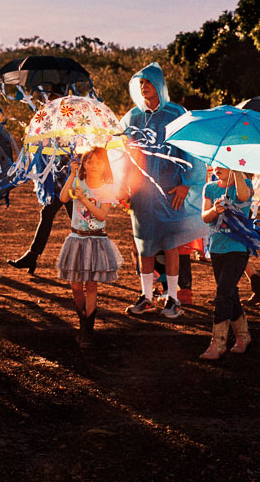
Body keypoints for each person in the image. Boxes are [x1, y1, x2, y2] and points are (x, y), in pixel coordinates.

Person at [119, 63, 204, 318]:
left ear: (159, 84)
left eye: (148, 82)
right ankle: (146, 297)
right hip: (142, 194)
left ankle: (173, 299)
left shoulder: (177, 114)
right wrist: (124, 186)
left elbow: (192, 149)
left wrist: (186, 183)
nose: (143, 87)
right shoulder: (132, 117)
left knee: (171, 245)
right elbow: (122, 153)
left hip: (170, 192)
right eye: (140, 83)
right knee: (144, 246)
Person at [55, 147, 122, 347]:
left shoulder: (107, 188)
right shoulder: (78, 182)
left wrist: (84, 199)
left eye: (98, 162)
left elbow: (101, 216)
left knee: (91, 286)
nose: (92, 166)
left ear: (105, 166)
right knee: (75, 286)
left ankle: (86, 328)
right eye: (89, 161)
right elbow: (63, 198)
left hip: (96, 240)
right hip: (76, 238)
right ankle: (82, 318)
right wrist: (72, 175)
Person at [200, 163, 256, 359]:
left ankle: (218, 343)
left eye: (223, 164)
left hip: (238, 249)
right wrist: (215, 210)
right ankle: (243, 336)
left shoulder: (245, 184)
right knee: (229, 292)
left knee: (223, 293)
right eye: (214, 164)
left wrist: (237, 169)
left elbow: (243, 197)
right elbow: (205, 217)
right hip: (216, 249)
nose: (217, 168)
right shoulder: (210, 187)